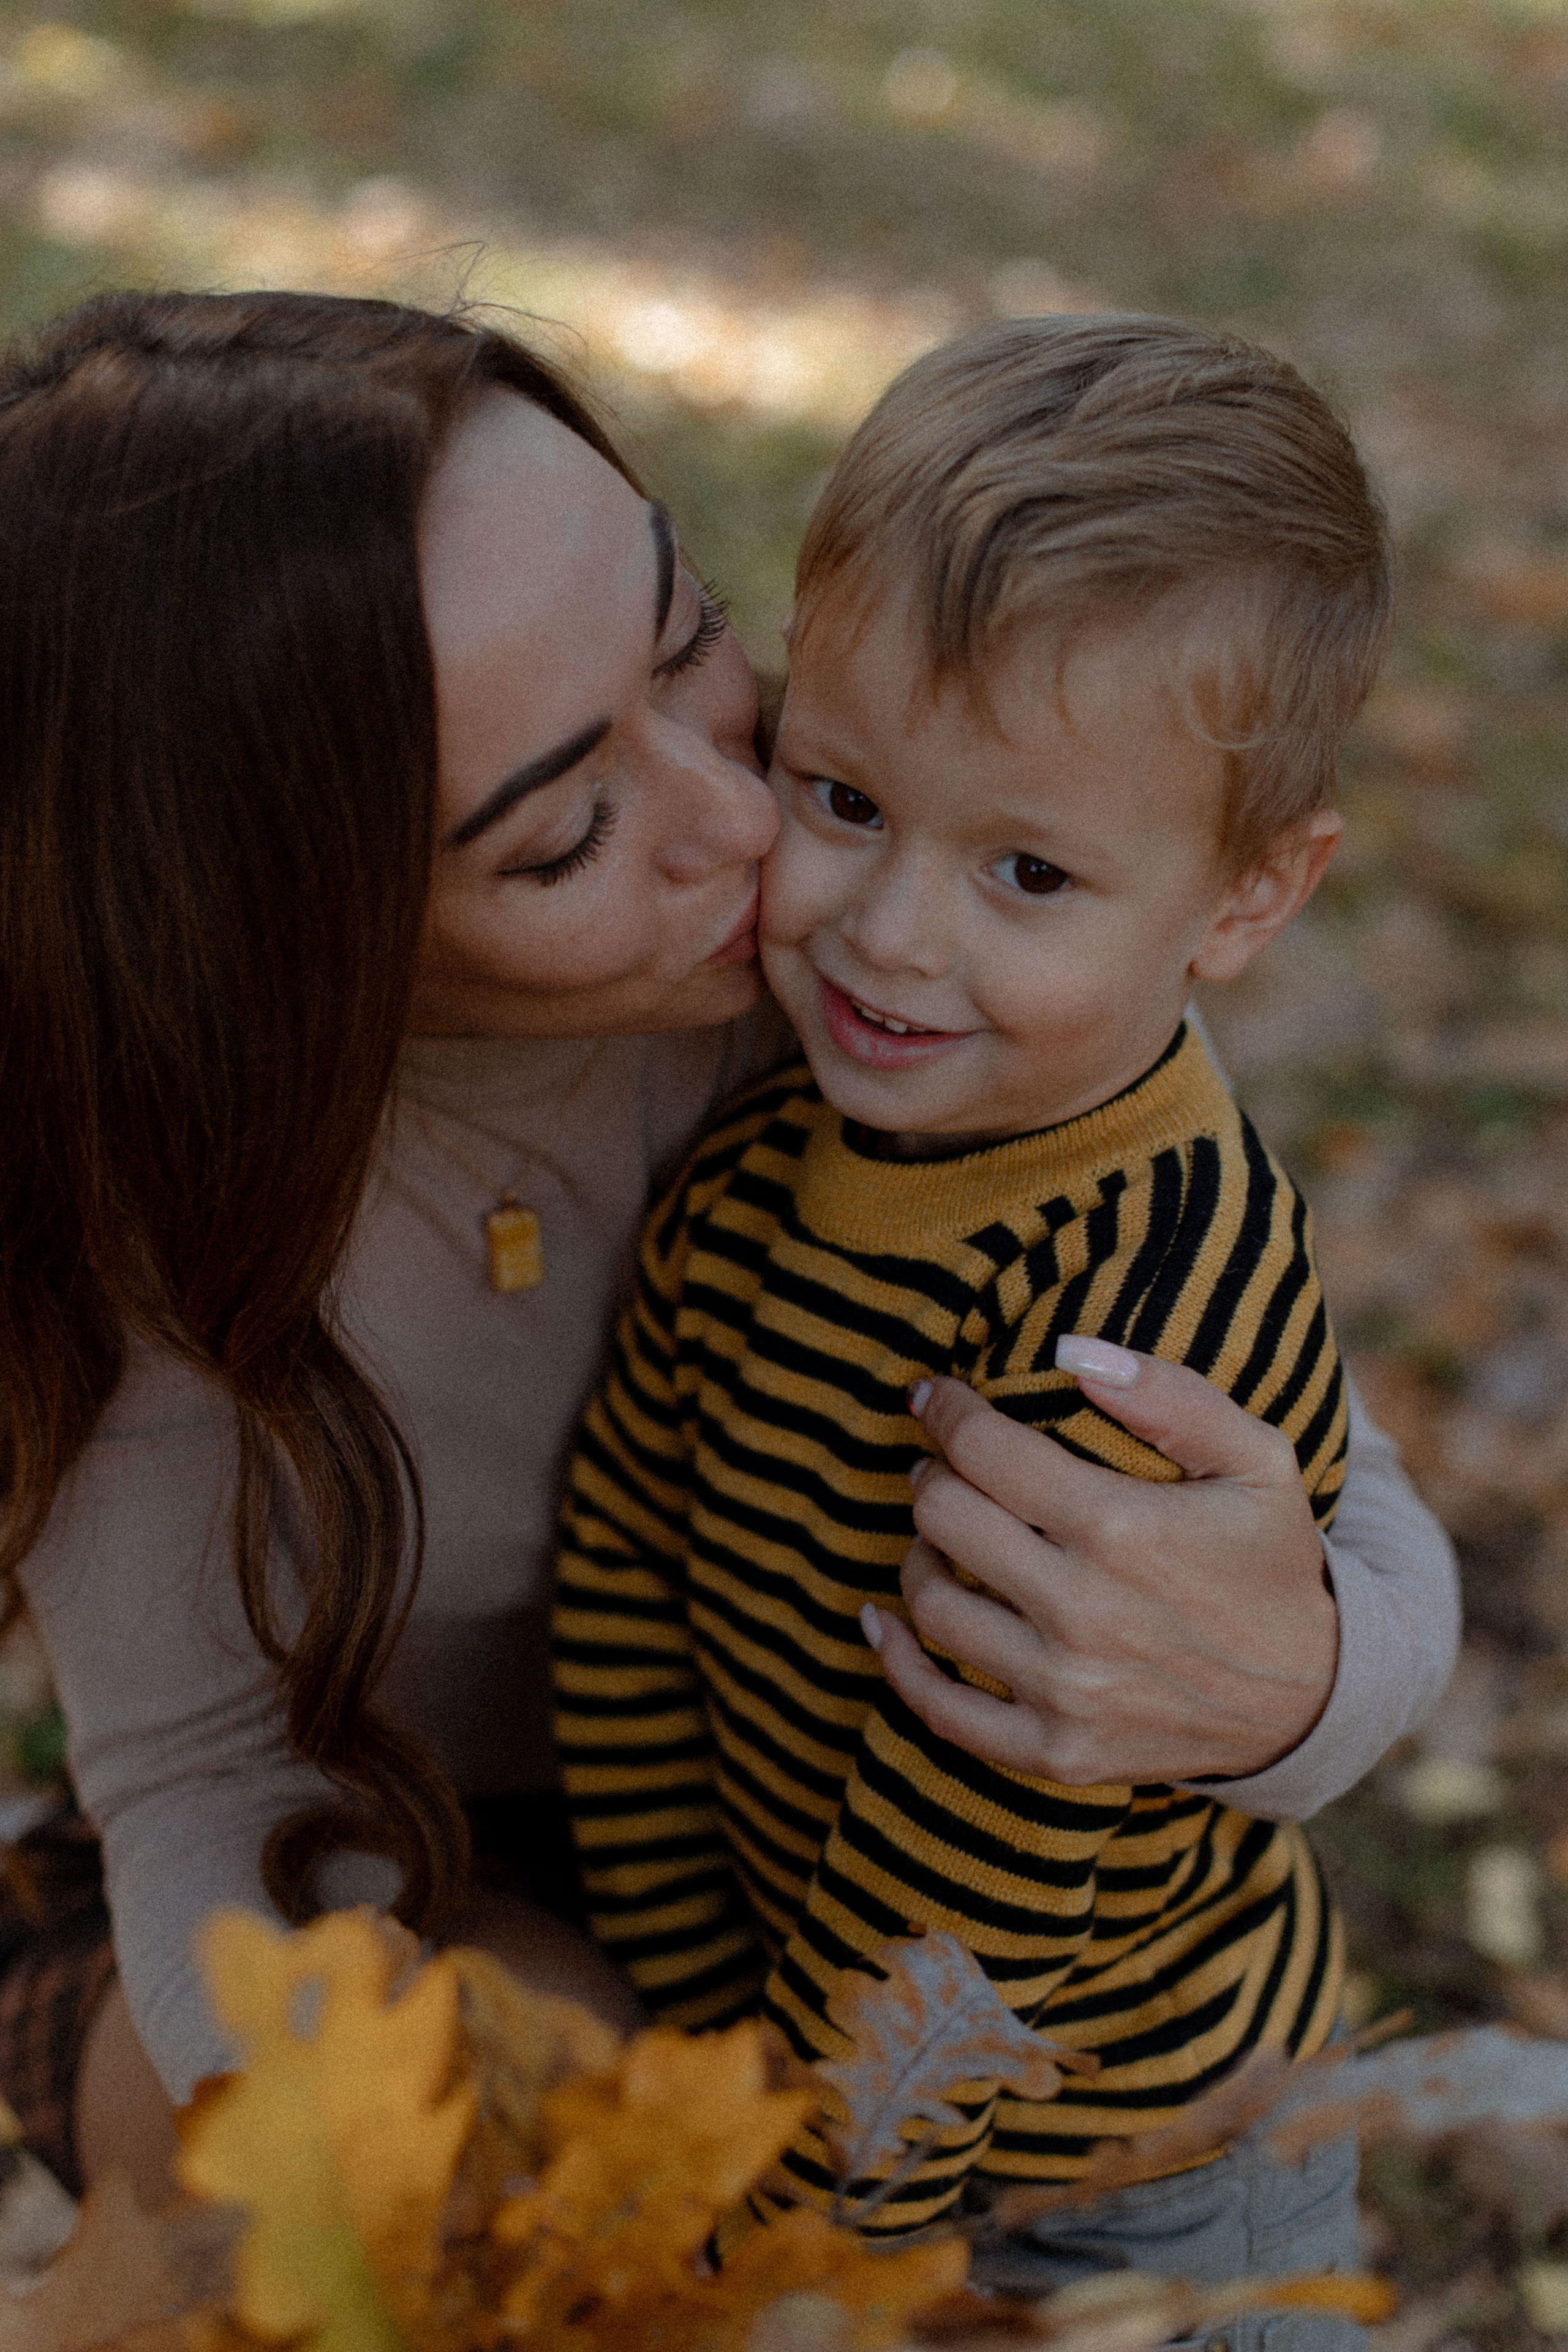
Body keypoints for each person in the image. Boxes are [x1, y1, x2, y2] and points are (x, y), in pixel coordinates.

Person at [0, 292, 1456, 2230]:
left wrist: (1294, 1681)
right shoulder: (136, 1179)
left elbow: (1310, 1469)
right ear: (297, 927)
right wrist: (423, 2141)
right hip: (379, 1866)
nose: (747, 820)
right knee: (495, 2188)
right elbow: (208, 1789)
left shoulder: (869, 990)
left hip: (822, 1868)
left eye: (691, 640)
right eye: (571, 828)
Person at [551, 317, 1400, 2324]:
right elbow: (628, 1581)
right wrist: (701, 2037)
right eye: (839, 797)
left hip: (1146, 2165)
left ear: (1246, 900)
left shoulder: (1141, 1298)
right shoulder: (765, 1179)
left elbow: (1004, 1812)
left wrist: (834, 2192)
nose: (889, 930)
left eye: (1027, 869)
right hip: (812, 2097)